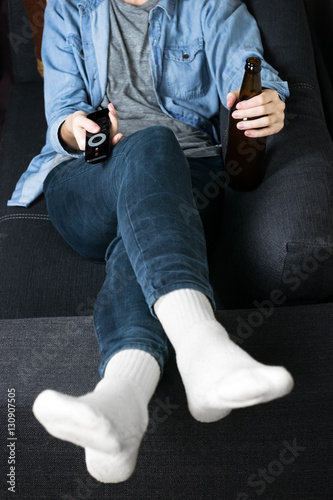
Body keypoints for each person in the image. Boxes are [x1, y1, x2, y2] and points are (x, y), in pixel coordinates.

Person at [9, 0, 294, 484]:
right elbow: (61, 115)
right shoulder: (69, 8)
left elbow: (246, 68)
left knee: (142, 231)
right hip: (87, 178)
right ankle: (203, 347)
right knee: (152, 143)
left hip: (187, 176)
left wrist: (267, 97)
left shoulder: (211, 6)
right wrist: (78, 131)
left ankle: (118, 406)